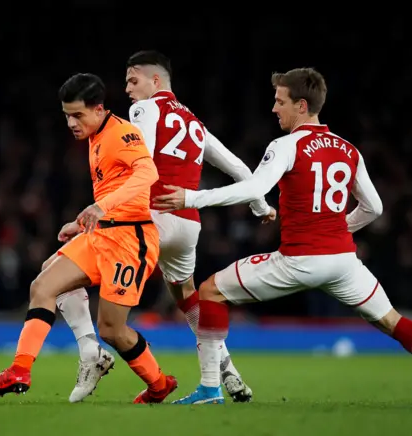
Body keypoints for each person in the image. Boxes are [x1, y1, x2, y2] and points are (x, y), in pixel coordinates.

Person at [154, 67, 412, 406]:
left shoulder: (287, 145)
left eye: (280, 101)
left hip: (298, 260)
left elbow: (255, 188)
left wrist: (192, 197)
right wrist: (336, 229)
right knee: (392, 321)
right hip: (343, 263)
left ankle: (211, 389)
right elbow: (374, 207)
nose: (274, 109)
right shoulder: (348, 149)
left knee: (211, 291)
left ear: (301, 106)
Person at [57, 50, 274, 403]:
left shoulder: (144, 110)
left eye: (133, 80)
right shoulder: (194, 122)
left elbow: (143, 162)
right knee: (188, 300)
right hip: (188, 224)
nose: (127, 89)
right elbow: (240, 169)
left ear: (155, 81)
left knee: (70, 272)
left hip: (149, 218)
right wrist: (260, 206)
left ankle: (90, 351)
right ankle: (229, 373)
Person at [0, 73, 177, 405]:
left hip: (131, 239)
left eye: (78, 115)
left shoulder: (122, 133)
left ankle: (159, 384)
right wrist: (84, 219)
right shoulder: (94, 134)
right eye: (67, 115)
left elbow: (148, 173)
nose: (71, 122)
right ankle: (23, 368)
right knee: (43, 284)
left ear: (98, 109)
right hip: (102, 232)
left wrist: (100, 207)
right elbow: (114, 185)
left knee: (113, 329)